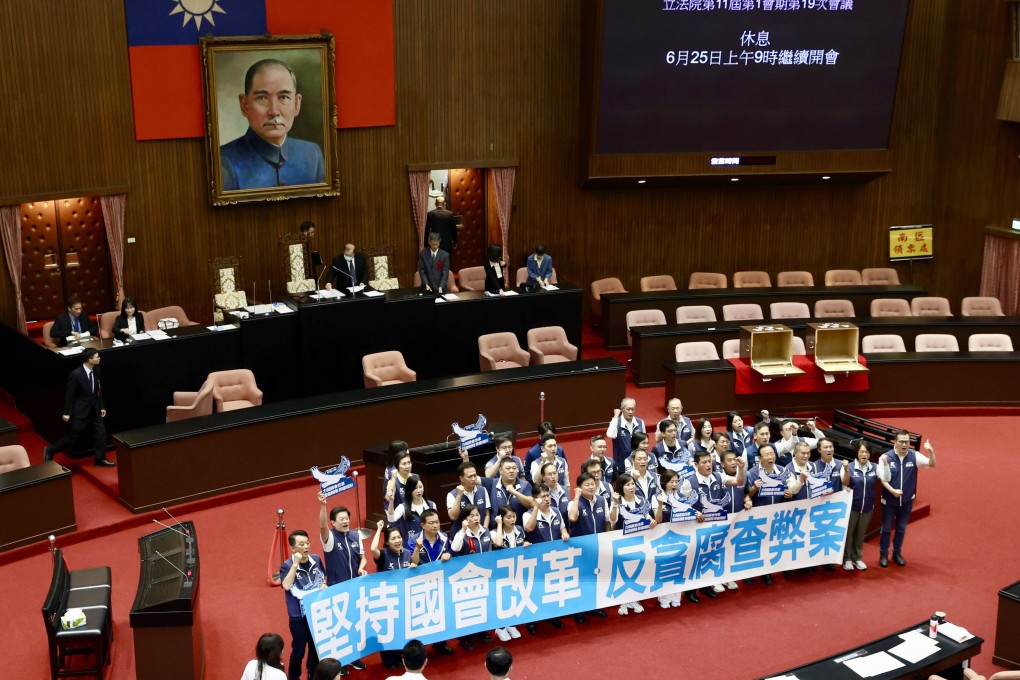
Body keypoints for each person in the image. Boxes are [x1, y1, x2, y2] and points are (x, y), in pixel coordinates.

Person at [220, 59, 325, 191]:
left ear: (296, 104)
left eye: (283, 97)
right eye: (262, 98)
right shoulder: (223, 161)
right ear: (245, 105)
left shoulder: (312, 154)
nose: (274, 111)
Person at [315, 493, 367, 672]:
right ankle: (340, 662)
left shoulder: (355, 536)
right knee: (340, 628)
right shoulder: (329, 540)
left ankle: (354, 657)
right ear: (333, 523)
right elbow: (322, 527)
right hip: (337, 591)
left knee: (356, 624)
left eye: (347, 518)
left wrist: (361, 567)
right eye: (341, 519)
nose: (345, 521)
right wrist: (323, 506)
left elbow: (363, 558)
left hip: (356, 588)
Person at [44, 348, 115, 467]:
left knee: (101, 434)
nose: (99, 358)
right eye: (97, 357)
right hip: (81, 411)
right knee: (73, 436)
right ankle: (51, 449)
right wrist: (67, 412)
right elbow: (69, 394)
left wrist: (101, 406)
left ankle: (99, 459)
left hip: (95, 410)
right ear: (89, 359)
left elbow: (98, 391)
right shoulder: (76, 374)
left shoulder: (97, 371)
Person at [877, 432, 937, 568]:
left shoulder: (914, 455)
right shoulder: (885, 457)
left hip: (907, 501)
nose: (904, 444)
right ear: (895, 442)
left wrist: (931, 452)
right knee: (886, 529)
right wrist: (892, 491)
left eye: (907, 442)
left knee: (901, 529)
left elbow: (931, 464)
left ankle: (897, 553)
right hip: (889, 501)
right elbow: (883, 479)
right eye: (901, 441)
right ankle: (883, 554)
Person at [567, 472, 617, 623]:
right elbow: (572, 518)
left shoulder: (602, 500)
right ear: (579, 488)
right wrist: (576, 497)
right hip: (580, 550)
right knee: (580, 580)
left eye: (592, 484)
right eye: (586, 484)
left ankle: (592, 606)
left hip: (598, 547)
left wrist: (608, 540)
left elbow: (608, 521)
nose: (590, 487)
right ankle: (578, 611)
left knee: (594, 579)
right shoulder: (574, 503)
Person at [408, 509, 456, 656]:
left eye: (437, 522)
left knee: (440, 613)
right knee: (421, 616)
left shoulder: (444, 537)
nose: (435, 525)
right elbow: (412, 562)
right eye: (431, 523)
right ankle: (419, 648)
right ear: (423, 525)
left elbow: (450, 554)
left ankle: (440, 643)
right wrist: (417, 549)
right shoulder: (414, 540)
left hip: (440, 583)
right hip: (421, 584)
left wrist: (449, 555)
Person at [522, 483, 568, 633]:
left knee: (551, 588)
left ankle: (551, 615)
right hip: (536, 560)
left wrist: (564, 533)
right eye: (543, 497)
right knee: (535, 590)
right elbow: (529, 528)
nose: (547, 499)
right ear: (534, 499)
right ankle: (531, 621)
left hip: (554, 558)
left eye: (548, 495)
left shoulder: (556, 511)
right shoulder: (528, 514)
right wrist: (536, 507)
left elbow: (562, 527)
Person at [281, 530, 326, 680]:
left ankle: (312, 675)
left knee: (315, 648)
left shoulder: (316, 559)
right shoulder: (286, 566)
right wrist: (295, 564)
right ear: (293, 548)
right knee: (299, 651)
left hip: (316, 613)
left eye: (307, 543)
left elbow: (322, 579)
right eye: (301, 544)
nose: (306, 546)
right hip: (298, 617)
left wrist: (323, 587)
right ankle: (293, 677)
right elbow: (286, 585)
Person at [449, 505, 493, 651]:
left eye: (477, 515)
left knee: (482, 605)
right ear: (465, 519)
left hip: (483, 576)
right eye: (472, 516)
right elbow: (455, 548)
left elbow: (490, 551)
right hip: (466, 578)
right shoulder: (461, 534)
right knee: (467, 608)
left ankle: (480, 632)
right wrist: (462, 530)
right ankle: (465, 638)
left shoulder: (485, 531)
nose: (476, 518)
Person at [612, 473, 655, 615]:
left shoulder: (641, 500)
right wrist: (614, 504)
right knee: (623, 571)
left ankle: (633, 599)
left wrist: (651, 521)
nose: (631, 487)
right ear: (621, 487)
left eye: (632, 483)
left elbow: (647, 516)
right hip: (623, 542)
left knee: (637, 569)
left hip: (640, 540)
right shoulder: (618, 502)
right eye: (627, 484)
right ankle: (624, 601)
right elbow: (612, 520)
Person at [844, 440, 878, 571]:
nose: (864, 454)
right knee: (849, 533)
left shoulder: (874, 467)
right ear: (857, 453)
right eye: (862, 452)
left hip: (868, 507)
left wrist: (885, 465)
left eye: (867, 452)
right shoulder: (850, 467)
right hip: (852, 507)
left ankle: (857, 558)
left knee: (860, 534)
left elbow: (886, 477)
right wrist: (846, 471)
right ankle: (847, 559)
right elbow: (844, 482)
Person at [387, 474, 436, 545]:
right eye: (415, 488)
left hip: (429, 545)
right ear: (409, 490)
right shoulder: (403, 507)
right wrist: (391, 502)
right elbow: (391, 519)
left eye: (420, 487)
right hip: (411, 547)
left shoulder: (431, 505)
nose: (419, 490)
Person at [488, 457, 534, 528]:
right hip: (497, 530)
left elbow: (531, 504)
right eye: (508, 468)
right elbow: (475, 479)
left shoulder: (525, 485)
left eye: (514, 468)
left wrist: (515, 492)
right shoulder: (492, 483)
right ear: (500, 470)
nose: (511, 471)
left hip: (519, 531)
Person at [447, 461, 491, 534]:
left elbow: (487, 515)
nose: (473, 479)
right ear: (461, 478)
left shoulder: (483, 490)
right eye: (470, 476)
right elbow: (453, 516)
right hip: (461, 537)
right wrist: (459, 496)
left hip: (480, 535)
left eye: (475, 475)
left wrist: (484, 531)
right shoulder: (452, 495)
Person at [606, 398, 645, 475]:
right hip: (621, 465)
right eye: (628, 409)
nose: (630, 412)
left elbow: (644, 440)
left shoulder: (640, 422)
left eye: (633, 409)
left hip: (637, 464)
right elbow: (610, 434)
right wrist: (616, 416)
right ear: (622, 409)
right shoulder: (616, 422)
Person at [384, 445, 414, 512]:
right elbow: (388, 497)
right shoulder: (393, 476)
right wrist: (393, 479)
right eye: (404, 464)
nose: (407, 466)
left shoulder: (415, 477)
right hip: (396, 511)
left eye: (409, 463)